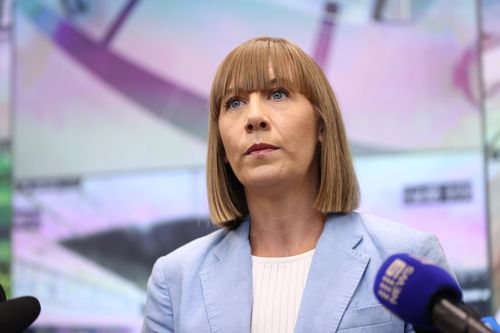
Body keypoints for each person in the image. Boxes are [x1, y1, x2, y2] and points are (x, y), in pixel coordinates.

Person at [142, 37, 453, 333]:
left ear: (321, 125)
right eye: (234, 103)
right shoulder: (175, 281)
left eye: (277, 95)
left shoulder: (405, 259)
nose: (253, 118)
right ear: (222, 147)